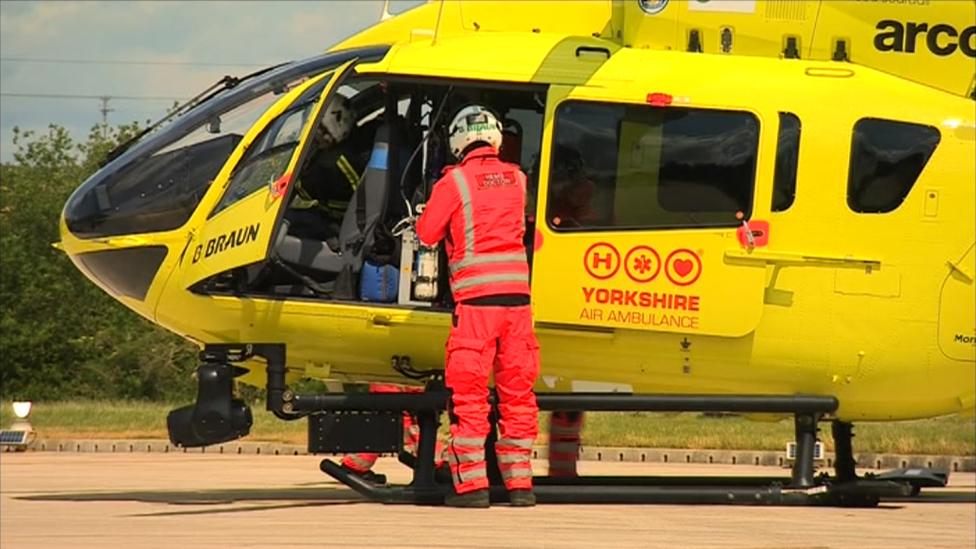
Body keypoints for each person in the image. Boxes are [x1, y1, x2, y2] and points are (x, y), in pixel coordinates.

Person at [415, 105, 540, 508]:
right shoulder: (518, 179)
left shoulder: (455, 183)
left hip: (477, 304)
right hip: (518, 302)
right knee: (518, 391)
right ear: (496, 137)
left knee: (469, 393)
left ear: (457, 142)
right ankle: (520, 485)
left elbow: (427, 232)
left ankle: (472, 488)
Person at [286, 95, 370, 247]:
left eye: (321, 129)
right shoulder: (333, 152)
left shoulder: (335, 162)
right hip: (333, 219)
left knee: (286, 220)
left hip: (340, 225)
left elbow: (301, 189)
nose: (315, 135)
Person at [340, 383, 447, 484]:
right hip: (400, 389)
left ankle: (356, 464)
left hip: (391, 387)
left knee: (386, 425)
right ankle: (436, 467)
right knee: (405, 426)